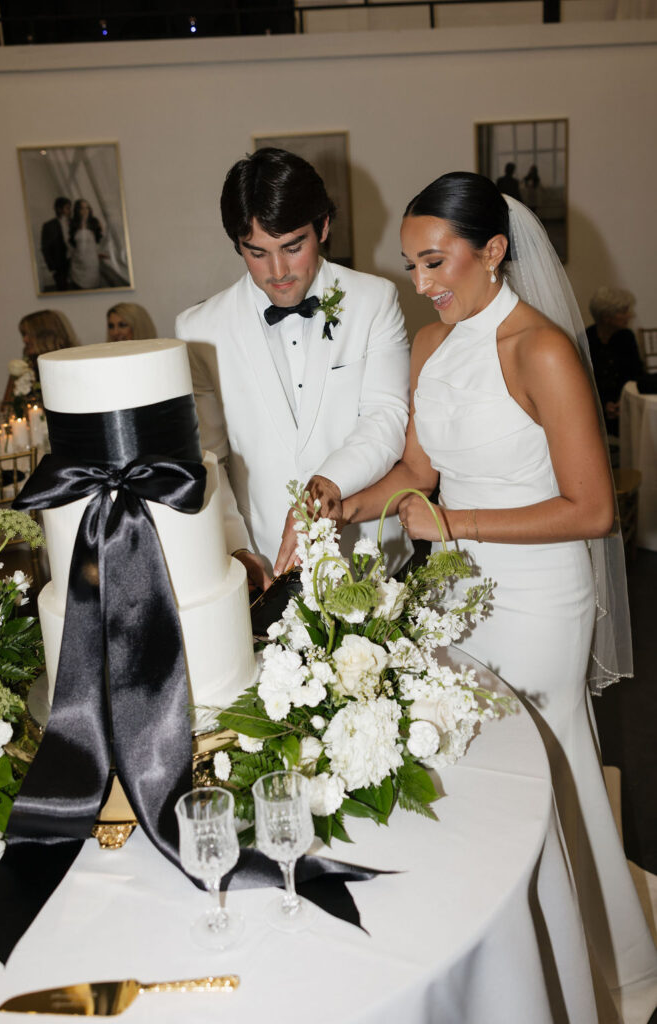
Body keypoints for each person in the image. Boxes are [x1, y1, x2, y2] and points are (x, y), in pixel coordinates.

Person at [342, 172, 657, 1018]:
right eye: (410, 266)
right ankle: (507, 955)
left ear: (493, 251)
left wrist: (455, 524)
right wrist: (341, 500)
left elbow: (590, 508)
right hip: (457, 588)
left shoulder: (540, 350)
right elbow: (414, 473)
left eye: (435, 262)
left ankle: (581, 961)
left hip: (538, 594)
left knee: (544, 773)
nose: (421, 285)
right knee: (480, 774)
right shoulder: (428, 346)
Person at [176, 147, 412, 590]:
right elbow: (208, 459)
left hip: (372, 560)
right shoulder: (197, 329)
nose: (278, 271)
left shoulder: (375, 301)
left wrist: (325, 486)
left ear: (323, 227)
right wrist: (237, 551)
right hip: (267, 566)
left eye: (292, 247)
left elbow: (387, 416)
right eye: (257, 252)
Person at [586, 286, 644, 433]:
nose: (630, 315)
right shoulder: (586, 338)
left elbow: (636, 373)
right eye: (624, 311)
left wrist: (623, 402)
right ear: (607, 316)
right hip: (595, 407)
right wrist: (605, 404)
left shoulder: (626, 336)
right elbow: (586, 380)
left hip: (626, 402)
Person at [3, 310, 80, 406]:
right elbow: (7, 406)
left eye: (28, 334)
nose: (24, 339)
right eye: (23, 334)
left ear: (44, 335)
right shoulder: (26, 365)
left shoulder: (72, 365)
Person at [69, 199, 104, 290]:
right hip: (77, 263)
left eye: (87, 208)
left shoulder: (95, 222)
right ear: (77, 210)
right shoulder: (72, 224)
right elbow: (71, 244)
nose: (85, 211)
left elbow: (101, 240)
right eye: (82, 208)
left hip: (91, 262)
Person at [40, 196, 72, 291]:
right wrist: (52, 266)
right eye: (67, 208)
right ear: (59, 209)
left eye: (70, 208)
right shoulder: (49, 226)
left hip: (74, 261)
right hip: (59, 264)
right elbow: (45, 247)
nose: (69, 210)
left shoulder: (74, 223)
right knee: (62, 288)